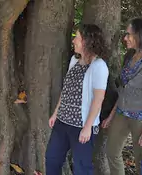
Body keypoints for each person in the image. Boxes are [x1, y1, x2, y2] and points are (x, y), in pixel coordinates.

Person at [102, 17, 142, 175]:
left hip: (141, 118)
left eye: (129, 34)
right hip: (121, 112)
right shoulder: (130, 56)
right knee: (111, 152)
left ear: (140, 36)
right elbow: (123, 89)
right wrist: (111, 116)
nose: (125, 38)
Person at [45, 24, 109, 175]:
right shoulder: (74, 61)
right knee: (52, 159)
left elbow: (98, 99)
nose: (73, 41)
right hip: (62, 122)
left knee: (82, 167)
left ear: (87, 41)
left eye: (77, 38)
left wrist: (87, 127)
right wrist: (56, 113)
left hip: (81, 126)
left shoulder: (99, 66)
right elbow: (67, 90)